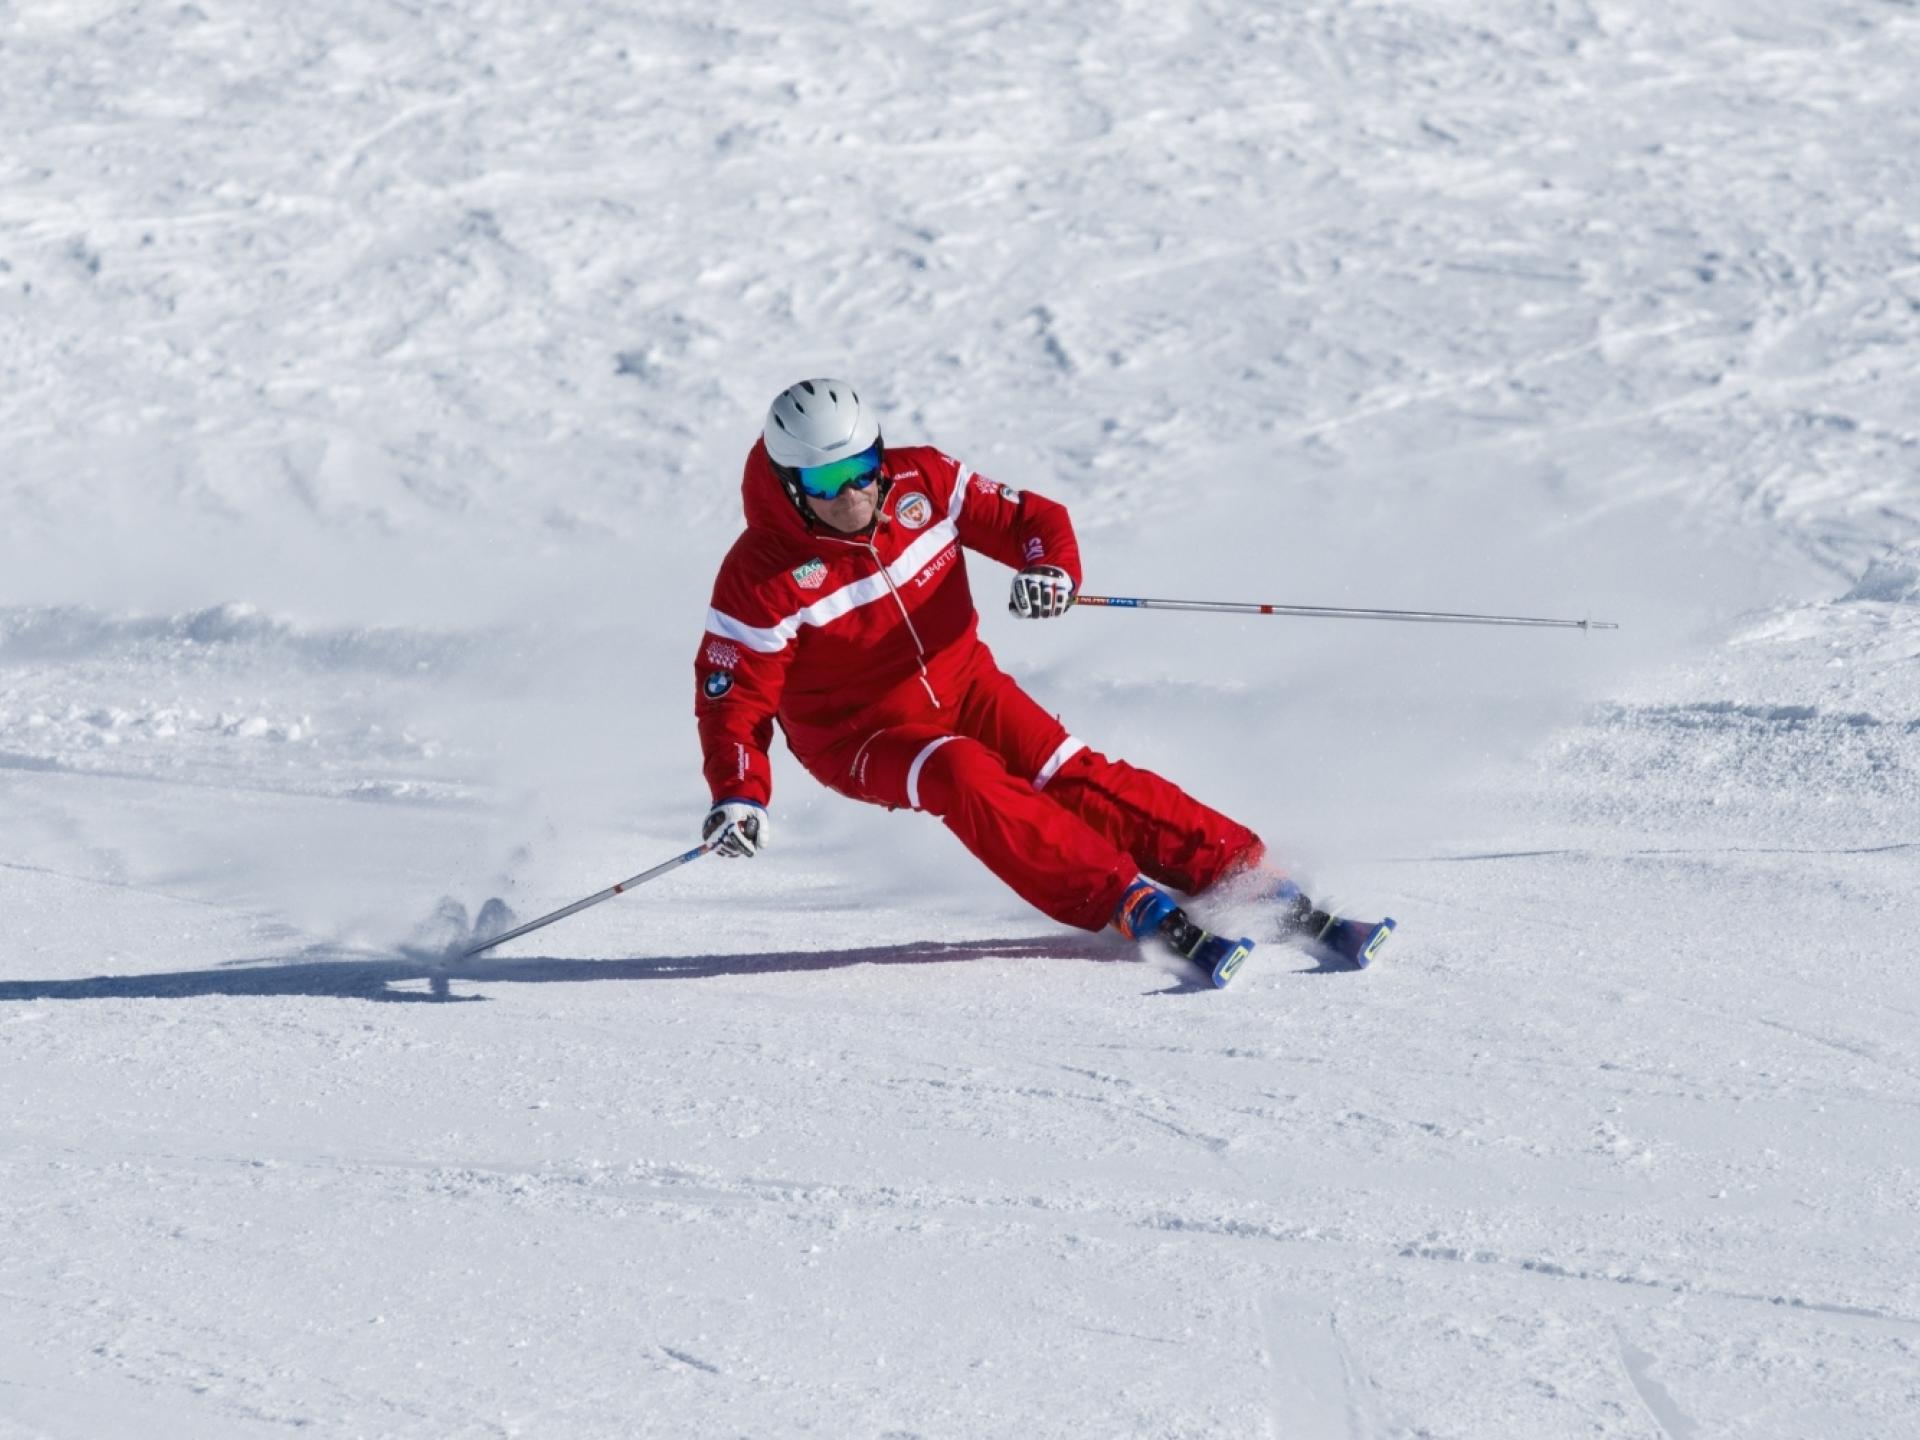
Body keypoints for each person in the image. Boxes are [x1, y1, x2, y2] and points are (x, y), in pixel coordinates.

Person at [692, 379, 1392, 985]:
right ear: (790, 487)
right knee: (960, 772)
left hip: (964, 681)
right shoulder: (760, 575)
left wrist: (1048, 570)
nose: (854, 493)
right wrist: (738, 795)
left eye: (863, 465)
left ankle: (1239, 869)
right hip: (858, 735)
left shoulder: (923, 482)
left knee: (1068, 770)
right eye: (825, 483)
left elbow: (1031, 519)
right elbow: (734, 700)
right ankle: (1125, 899)